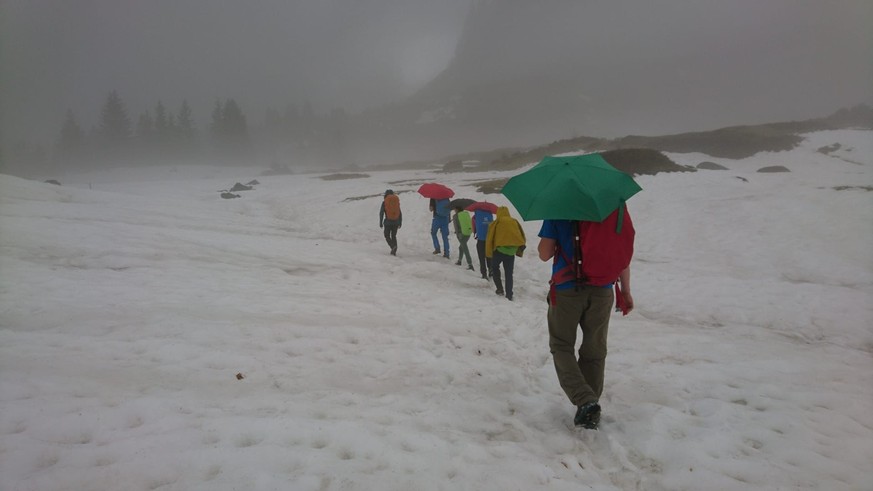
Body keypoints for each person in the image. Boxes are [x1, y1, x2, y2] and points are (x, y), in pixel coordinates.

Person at [537, 215, 634, 430]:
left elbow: (545, 254)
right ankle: (590, 406)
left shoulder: (558, 210)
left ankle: (585, 400)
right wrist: (626, 291)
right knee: (595, 348)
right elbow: (621, 256)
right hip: (603, 291)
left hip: (566, 291)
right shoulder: (609, 211)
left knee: (561, 345)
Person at [484, 206, 526, 301]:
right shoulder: (514, 221)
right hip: (511, 252)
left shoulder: (496, 223)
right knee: (509, 274)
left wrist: (489, 252)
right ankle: (509, 294)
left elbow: (490, 237)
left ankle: (499, 289)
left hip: (499, 251)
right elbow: (521, 234)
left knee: (494, 268)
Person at [472, 208, 494, 279]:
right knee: (489, 256)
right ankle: (491, 269)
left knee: (481, 258)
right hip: (489, 239)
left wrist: (476, 233)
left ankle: (484, 273)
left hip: (481, 240)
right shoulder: (490, 215)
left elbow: (474, 227)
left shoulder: (476, 216)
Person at [451, 206, 475, 270]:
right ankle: (459, 261)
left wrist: (457, 234)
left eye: (454, 208)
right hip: (468, 233)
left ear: (457, 209)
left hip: (461, 234)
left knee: (465, 248)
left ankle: (470, 264)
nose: (454, 209)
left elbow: (456, 227)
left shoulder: (455, 216)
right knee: (461, 247)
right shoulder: (466, 213)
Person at [379, 189, 402, 255]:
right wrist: (400, 222)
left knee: (387, 235)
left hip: (388, 222)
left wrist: (380, 222)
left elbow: (381, 213)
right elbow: (400, 213)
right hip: (396, 222)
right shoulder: (396, 202)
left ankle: (393, 247)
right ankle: (394, 249)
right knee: (394, 236)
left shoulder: (385, 202)